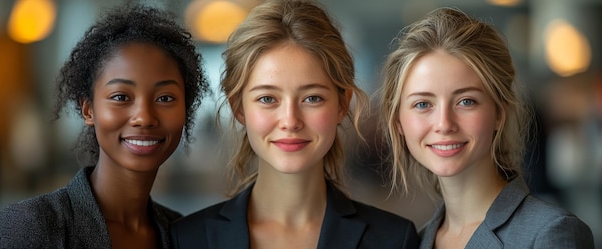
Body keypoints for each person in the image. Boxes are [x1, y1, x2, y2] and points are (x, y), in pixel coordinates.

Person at [170, 0, 419, 248]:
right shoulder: (188, 239)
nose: (290, 121)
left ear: (343, 104)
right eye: (267, 99)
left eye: (312, 98)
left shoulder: (394, 240)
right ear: (238, 107)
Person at [0, 3, 209, 249]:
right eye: (121, 97)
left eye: (165, 98)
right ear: (88, 110)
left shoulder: (185, 235)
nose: (144, 117)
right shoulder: (33, 225)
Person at [378, 7, 594, 249]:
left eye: (466, 101)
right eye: (422, 104)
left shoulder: (549, 233)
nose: (444, 124)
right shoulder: (415, 241)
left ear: (499, 113)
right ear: (398, 121)